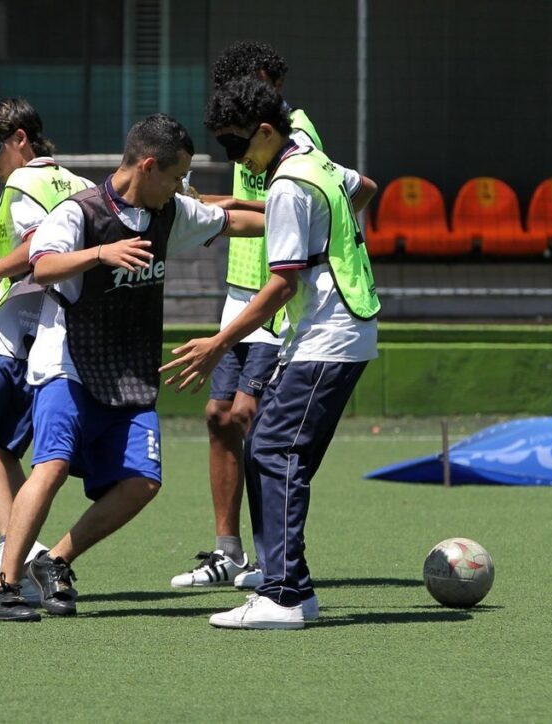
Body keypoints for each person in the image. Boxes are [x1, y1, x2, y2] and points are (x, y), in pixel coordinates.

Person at [0, 113, 266, 622]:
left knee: (143, 480)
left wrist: (304, 222)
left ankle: (57, 559)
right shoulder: (79, 213)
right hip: (67, 364)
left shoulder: (169, 212)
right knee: (51, 466)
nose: (183, 188)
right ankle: (4, 583)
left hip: (129, 373)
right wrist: (100, 253)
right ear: (149, 166)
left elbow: (234, 221)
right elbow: (41, 265)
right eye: (177, 177)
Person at [161, 77, 379, 629]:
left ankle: (284, 594)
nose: (235, 158)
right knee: (266, 444)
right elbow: (364, 186)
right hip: (336, 330)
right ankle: (287, 585)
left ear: (264, 130)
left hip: (329, 336)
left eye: (237, 146)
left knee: (276, 449)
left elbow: (282, 284)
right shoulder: (313, 159)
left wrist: (217, 341)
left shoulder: (287, 185)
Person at [169, 40, 324, 591]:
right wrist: (211, 209)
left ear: (271, 82)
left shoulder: (295, 133)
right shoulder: (245, 134)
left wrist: (224, 210)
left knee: (251, 420)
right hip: (238, 287)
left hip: (274, 295)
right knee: (217, 416)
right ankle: (227, 553)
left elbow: (301, 204)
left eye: (249, 84)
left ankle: (270, 560)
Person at [0, 98, 93, 604]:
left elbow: (37, 249)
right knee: (5, 450)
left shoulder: (24, 182)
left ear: (21, 139)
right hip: (59, 332)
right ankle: (22, 559)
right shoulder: (78, 183)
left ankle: (18, 552)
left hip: (21, 331)